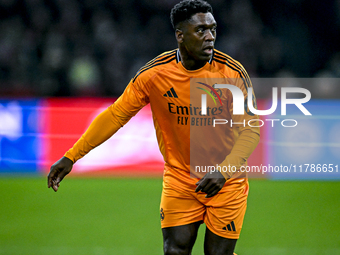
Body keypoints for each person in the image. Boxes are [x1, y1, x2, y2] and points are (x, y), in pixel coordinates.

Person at [47, 0, 260, 254]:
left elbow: (251, 129)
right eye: (200, 30)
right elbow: (115, 115)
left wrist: (223, 172)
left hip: (227, 181)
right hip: (180, 180)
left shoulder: (231, 72)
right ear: (180, 36)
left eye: (213, 29)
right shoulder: (154, 75)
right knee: (174, 251)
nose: (210, 37)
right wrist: (72, 156)